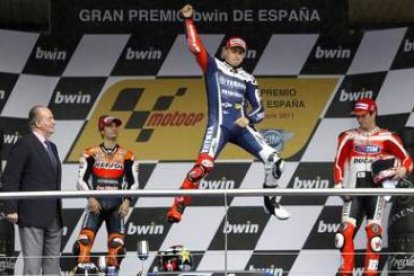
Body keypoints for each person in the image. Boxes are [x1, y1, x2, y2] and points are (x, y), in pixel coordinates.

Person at [166, 4, 290, 223]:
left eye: (240, 52)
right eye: (233, 50)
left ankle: (270, 200)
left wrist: (249, 118)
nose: (236, 55)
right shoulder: (213, 66)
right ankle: (179, 204)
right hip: (219, 126)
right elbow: (195, 47)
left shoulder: (248, 78)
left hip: (242, 128)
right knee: (202, 167)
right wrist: (188, 21)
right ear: (225, 51)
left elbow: (260, 110)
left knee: (276, 161)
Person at [333, 98, 413, 276]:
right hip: (353, 191)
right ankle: (346, 271)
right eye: (357, 116)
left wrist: (403, 168)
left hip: (376, 191)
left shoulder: (387, 137)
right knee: (344, 233)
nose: (360, 120)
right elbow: (338, 163)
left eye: (363, 116)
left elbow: (407, 160)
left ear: (373, 113)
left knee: (374, 233)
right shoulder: (348, 136)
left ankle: (371, 272)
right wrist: (339, 185)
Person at [73, 115, 139, 274]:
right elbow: (80, 180)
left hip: (117, 204)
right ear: (102, 130)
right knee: (84, 242)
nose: (114, 128)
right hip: (96, 202)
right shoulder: (90, 153)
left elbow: (134, 182)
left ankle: (112, 272)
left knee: (117, 246)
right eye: (110, 126)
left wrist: (127, 201)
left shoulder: (127, 155)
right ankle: (83, 270)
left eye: (116, 125)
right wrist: (90, 197)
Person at [2, 105, 63, 275]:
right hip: (32, 214)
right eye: (50, 118)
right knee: (33, 267)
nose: (54, 122)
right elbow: (10, 177)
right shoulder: (24, 143)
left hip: (54, 215)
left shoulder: (52, 147)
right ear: (37, 122)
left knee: (52, 268)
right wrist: (11, 208)